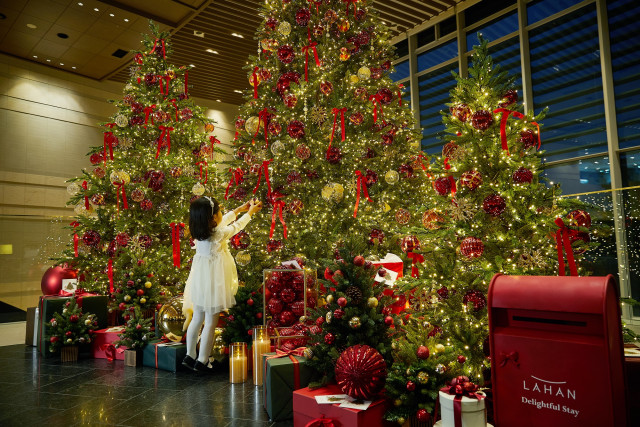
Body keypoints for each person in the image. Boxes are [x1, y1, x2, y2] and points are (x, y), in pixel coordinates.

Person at [181, 196, 262, 373]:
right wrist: (249, 213)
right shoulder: (218, 234)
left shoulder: (200, 231)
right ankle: (202, 361)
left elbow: (224, 220)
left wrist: (239, 209)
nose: (221, 214)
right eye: (218, 212)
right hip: (214, 281)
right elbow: (236, 227)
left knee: (197, 317)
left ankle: (189, 355)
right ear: (212, 218)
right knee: (211, 320)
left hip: (200, 279)